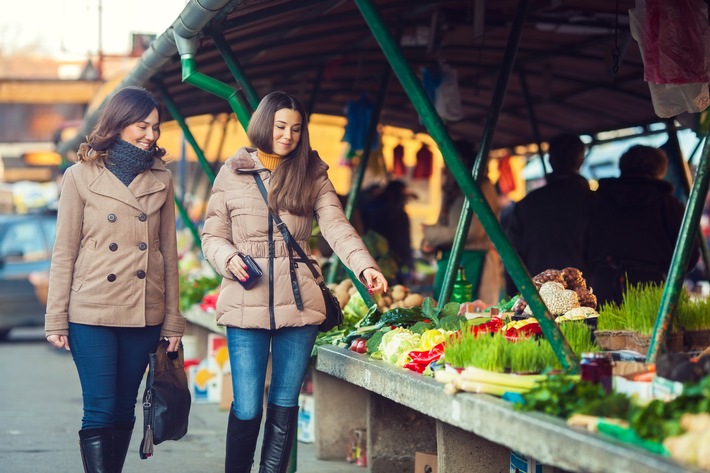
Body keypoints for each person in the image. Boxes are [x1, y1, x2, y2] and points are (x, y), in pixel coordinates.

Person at [201, 91, 388, 473]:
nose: (288, 136)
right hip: (244, 301)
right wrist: (229, 257)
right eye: (280, 126)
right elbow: (212, 236)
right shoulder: (232, 172)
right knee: (248, 405)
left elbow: (336, 225)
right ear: (263, 124)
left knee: (285, 403)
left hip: (300, 305)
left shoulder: (312, 172)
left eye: (296, 129)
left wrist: (363, 265)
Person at [44, 86, 185, 473]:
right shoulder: (79, 177)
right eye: (142, 126)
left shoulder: (162, 179)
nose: (150, 136)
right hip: (91, 312)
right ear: (119, 125)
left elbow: (167, 256)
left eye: (155, 127)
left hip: (144, 313)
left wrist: (174, 320)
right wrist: (55, 317)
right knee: (101, 408)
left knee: (125, 409)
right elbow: (64, 252)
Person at [585, 145, 699, 306]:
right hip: (651, 286)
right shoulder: (669, 204)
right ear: (660, 170)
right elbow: (688, 257)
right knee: (651, 332)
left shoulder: (598, 200)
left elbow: (583, 244)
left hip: (604, 284)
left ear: (622, 166)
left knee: (604, 331)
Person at [505, 133, 593, 295]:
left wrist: (516, 298)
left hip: (538, 296)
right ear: (580, 160)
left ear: (550, 160)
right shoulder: (593, 201)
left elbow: (512, 257)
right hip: (585, 297)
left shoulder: (527, 204)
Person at [421, 140, 502, 306]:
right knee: (443, 313)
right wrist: (428, 243)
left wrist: (431, 235)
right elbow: (442, 223)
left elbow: (474, 230)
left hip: (470, 261)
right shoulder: (452, 189)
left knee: (465, 313)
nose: (445, 168)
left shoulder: (483, 187)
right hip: (448, 260)